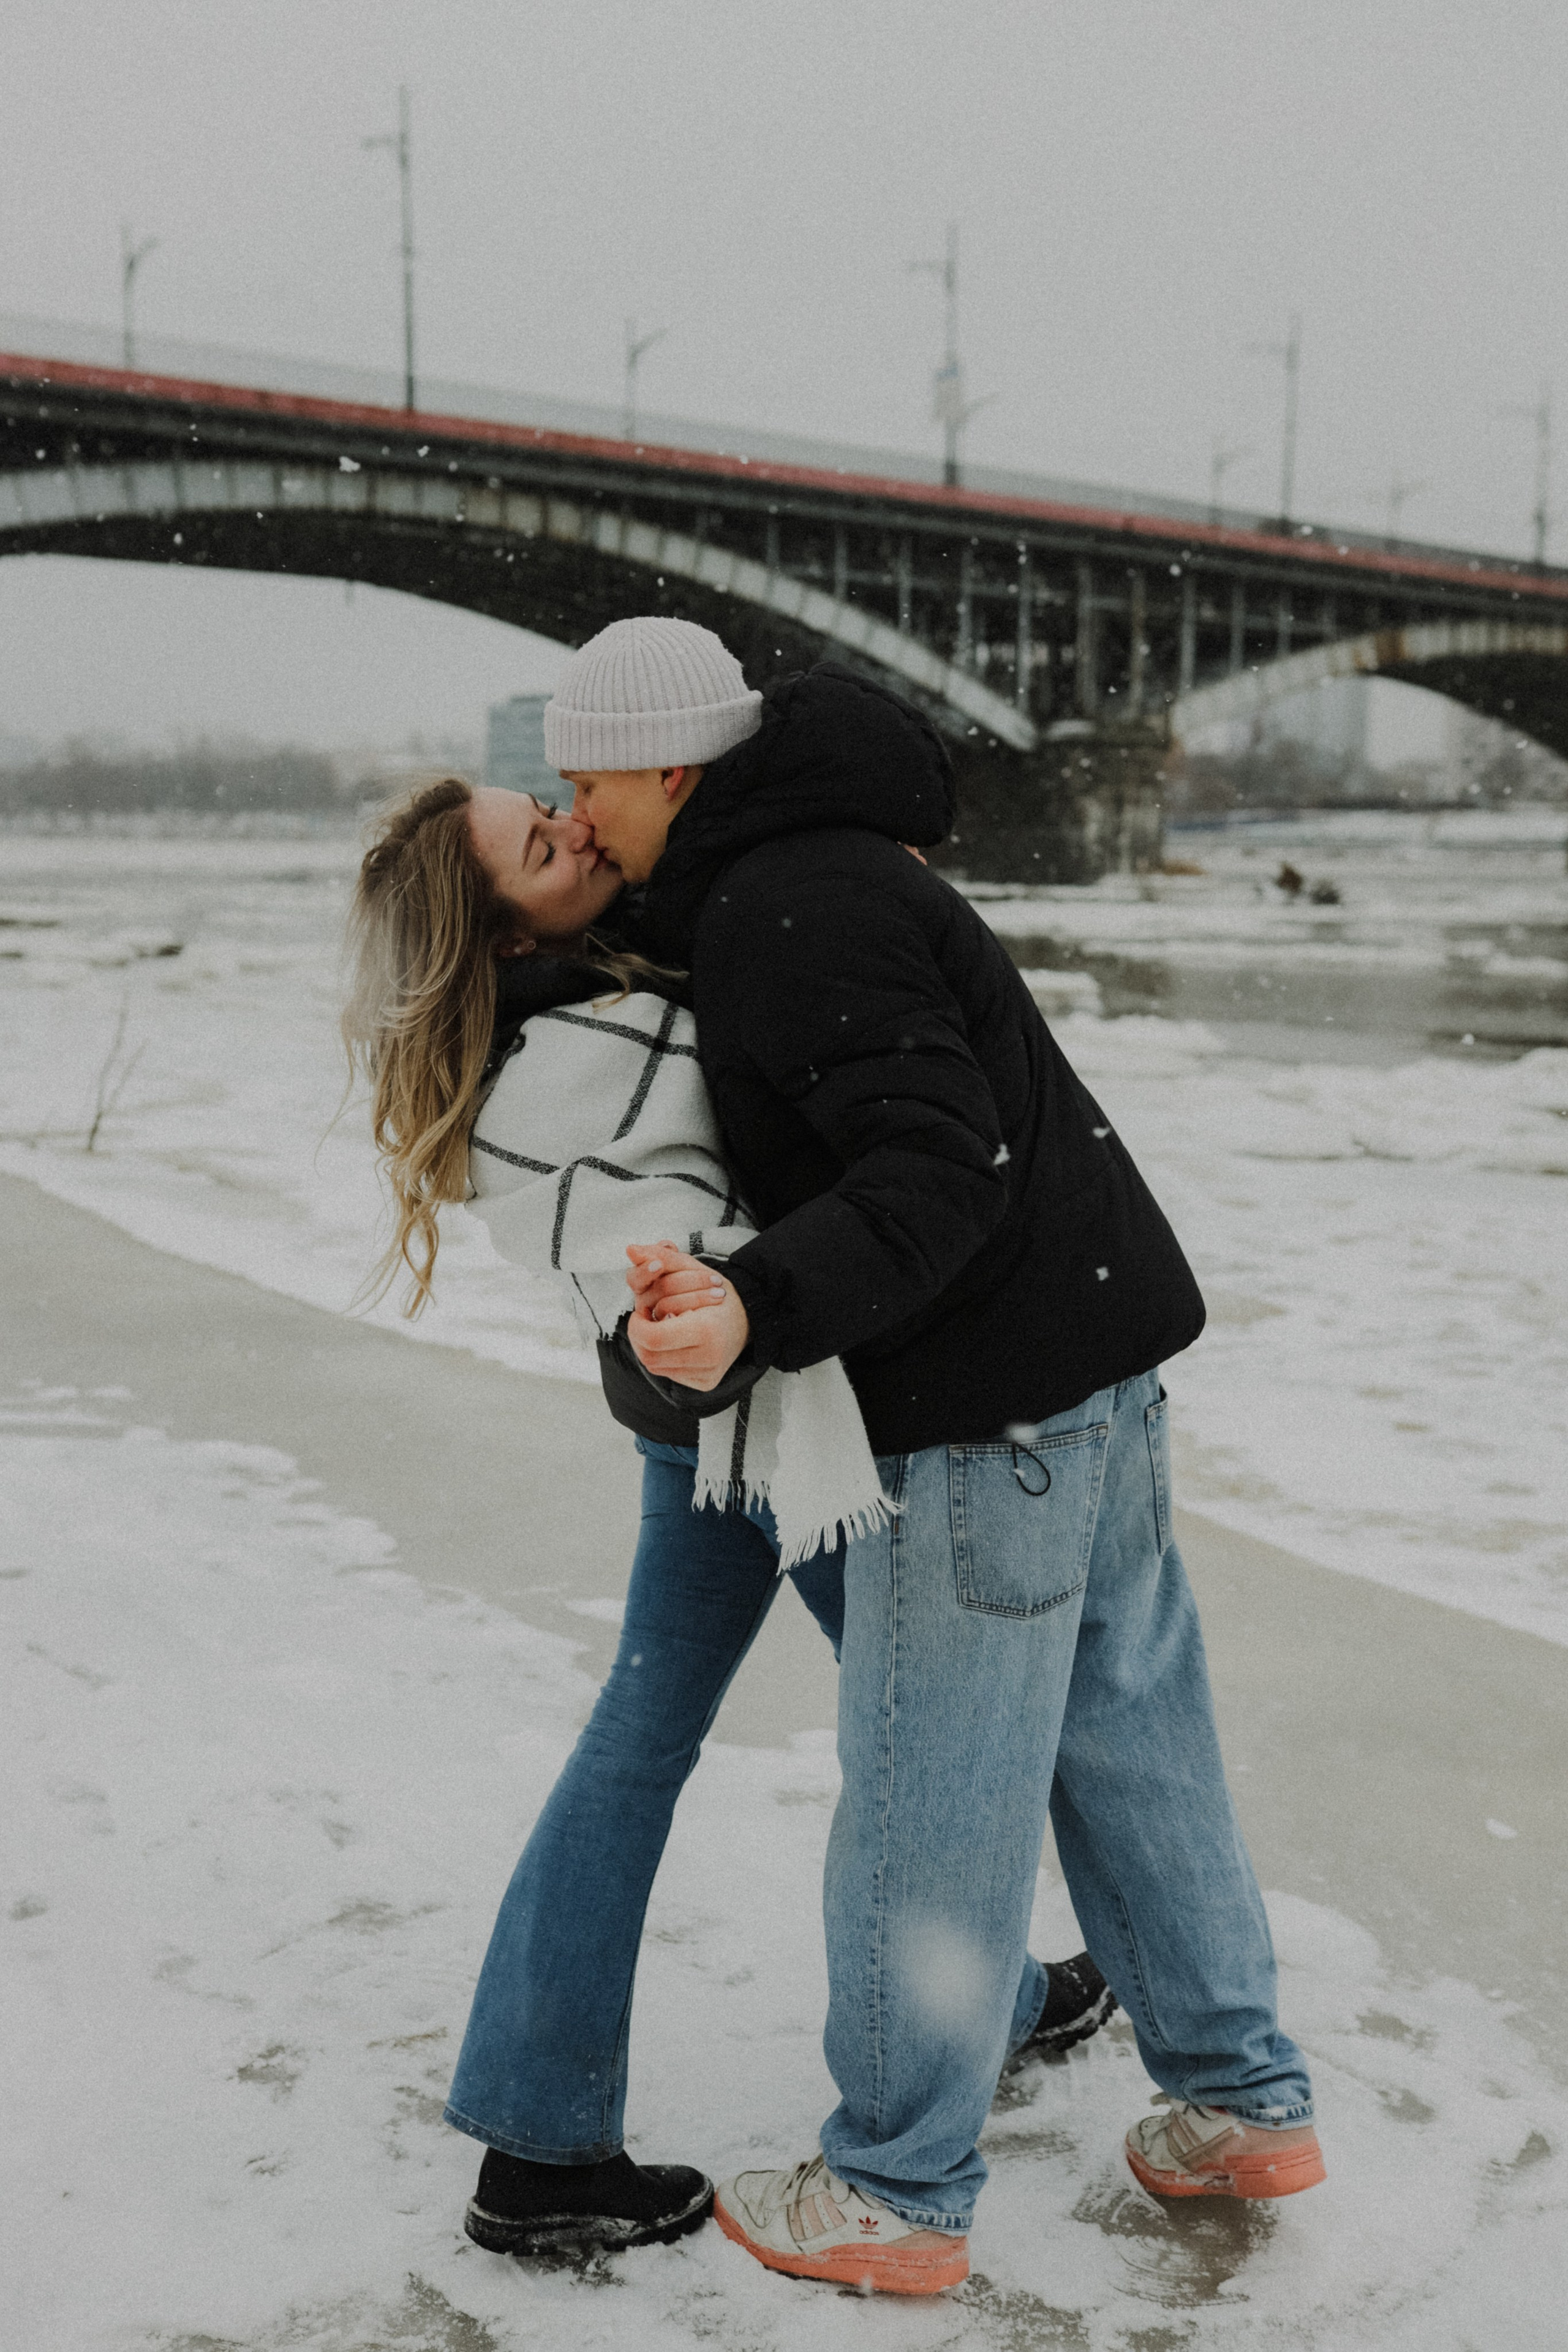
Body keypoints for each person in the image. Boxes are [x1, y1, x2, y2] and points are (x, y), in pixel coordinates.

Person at [543, 615, 1324, 2296]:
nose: (579, 811)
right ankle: (1239, 2098)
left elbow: (933, 1166)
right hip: (1095, 1375)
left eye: (590, 778)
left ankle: (897, 2184)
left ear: (671, 766)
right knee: (1133, 1749)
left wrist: (754, 1305)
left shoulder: (785, 907)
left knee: (930, 1806)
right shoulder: (821, 870)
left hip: (986, 1420)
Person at [341, 774, 1116, 2263]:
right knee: (908, 1729)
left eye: (554, 805)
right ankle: (554, 2143)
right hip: (770, 1422)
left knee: (713, 1732)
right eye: (535, 841)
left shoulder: (591, 998)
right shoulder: (600, 1042)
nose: (572, 826)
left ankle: (543, 2129)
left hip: (709, 1426)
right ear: (500, 937)